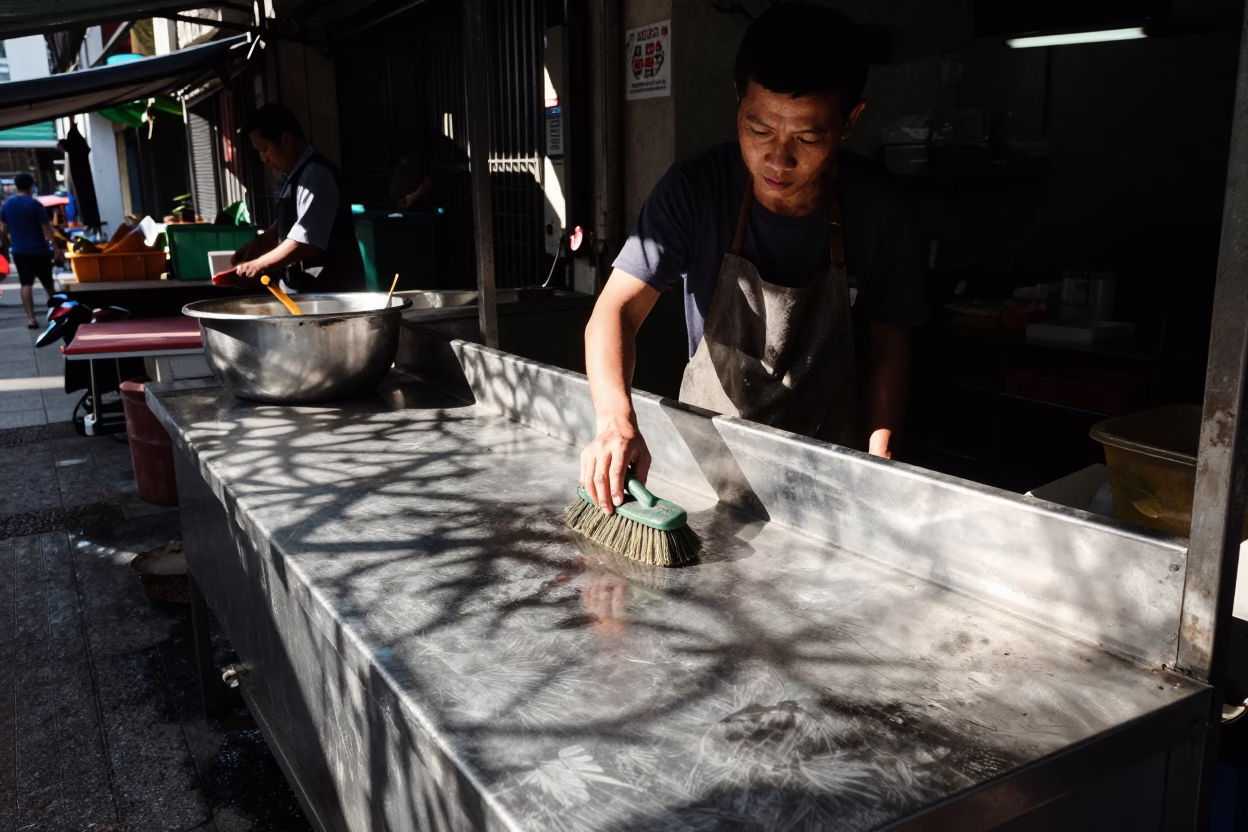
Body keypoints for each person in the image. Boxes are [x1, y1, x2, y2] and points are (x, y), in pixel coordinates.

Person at [580, 3, 927, 513]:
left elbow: (891, 339)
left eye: (808, 138)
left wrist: (879, 462)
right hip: (706, 472)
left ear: (850, 121)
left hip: (828, 479)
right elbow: (615, 311)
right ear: (739, 102)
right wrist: (615, 421)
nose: (778, 159)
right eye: (759, 129)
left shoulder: (878, 209)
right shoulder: (694, 193)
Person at [230, 104, 365, 292]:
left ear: (286, 140)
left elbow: (305, 241)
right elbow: (287, 225)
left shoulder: (315, 175)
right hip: (305, 294)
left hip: (329, 296)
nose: (263, 158)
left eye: (264, 149)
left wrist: (259, 264)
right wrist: (258, 245)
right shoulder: (295, 176)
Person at [0, 173, 57, 328]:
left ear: (17, 186)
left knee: (25, 283)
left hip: (19, 251)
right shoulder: (34, 204)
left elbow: (3, 229)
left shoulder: (7, 204)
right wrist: (56, 248)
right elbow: (46, 229)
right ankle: (58, 315)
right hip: (39, 250)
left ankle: (31, 319)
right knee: (48, 284)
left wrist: (9, 244)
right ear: (31, 186)